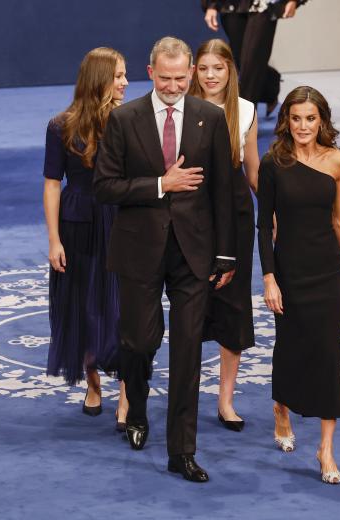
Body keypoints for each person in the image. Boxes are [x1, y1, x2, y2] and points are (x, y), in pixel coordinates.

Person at [94, 36, 236, 483]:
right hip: (139, 249)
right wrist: (161, 184)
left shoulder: (210, 118)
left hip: (193, 254)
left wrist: (226, 253)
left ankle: (182, 451)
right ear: (151, 72)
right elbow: (104, 187)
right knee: (138, 342)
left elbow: (223, 192)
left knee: (189, 353)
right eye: (166, 78)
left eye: (181, 78)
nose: (174, 86)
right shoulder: (123, 118)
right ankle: (136, 409)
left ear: (191, 71)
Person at [257, 86, 340, 485]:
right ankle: (281, 410)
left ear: (322, 121)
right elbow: (265, 226)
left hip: (329, 271)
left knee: (329, 355)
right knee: (292, 349)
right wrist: (269, 277)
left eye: (310, 119)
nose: (303, 126)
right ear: (286, 120)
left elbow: (339, 219)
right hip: (290, 273)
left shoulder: (337, 161)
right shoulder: (273, 163)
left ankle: (326, 448)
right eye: (296, 118)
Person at [44, 48, 129, 430]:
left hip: (120, 221)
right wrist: (53, 240)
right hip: (77, 222)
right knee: (83, 305)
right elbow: (51, 184)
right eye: (119, 76)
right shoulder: (60, 126)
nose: (126, 83)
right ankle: (93, 385)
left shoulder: (130, 121)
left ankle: (128, 393)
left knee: (122, 308)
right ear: (99, 80)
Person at [189, 39, 259, 432]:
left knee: (232, 305)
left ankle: (226, 401)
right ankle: (187, 394)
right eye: (204, 68)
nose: (211, 75)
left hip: (234, 215)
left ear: (230, 70)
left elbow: (252, 171)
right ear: (195, 71)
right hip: (194, 213)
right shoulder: (181, 106)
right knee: (193, 304)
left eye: (218, 67)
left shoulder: (245, 110)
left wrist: (282, 209)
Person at [202, 0, 305, 116]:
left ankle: (244, 122)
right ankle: (271, 86)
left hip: (264, 5)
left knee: (251, 63)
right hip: (231, 4)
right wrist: (211, 5)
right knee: (242, 60)